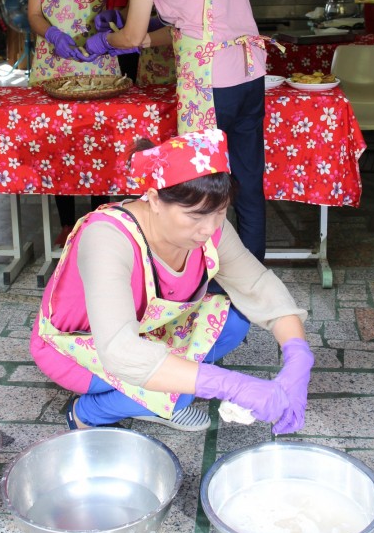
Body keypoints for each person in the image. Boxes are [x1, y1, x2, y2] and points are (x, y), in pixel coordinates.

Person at [30, 129, 314, 433]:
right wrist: (228, 384)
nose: (209, 228)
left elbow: (258, 287)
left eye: (219, 213)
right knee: (177, 393)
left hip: (149, 331)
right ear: (154, 199)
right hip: (78, 348)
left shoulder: (210, 227)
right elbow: (120, 350)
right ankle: (88, 412)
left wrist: (298, 357)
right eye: (194, 216)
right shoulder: (107, 237)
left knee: (234, 323)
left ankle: (152, 394)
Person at [85, 0, 268, 261]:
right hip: (251, 73)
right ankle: (252, 276)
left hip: (210, 83)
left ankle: (203, 280)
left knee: (200, 189)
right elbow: (198, 23)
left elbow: (130, 35)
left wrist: (103, 41)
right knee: (248, 183)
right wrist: (144, 39)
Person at [25, 0, 133, 241]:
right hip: (53, 64)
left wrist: (110, 24)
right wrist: (53, 35)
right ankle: (66, 224)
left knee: (98, 141)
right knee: (57, 143)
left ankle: (99, 220)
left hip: (97, 63)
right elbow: (34, 14)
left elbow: (119, 13)